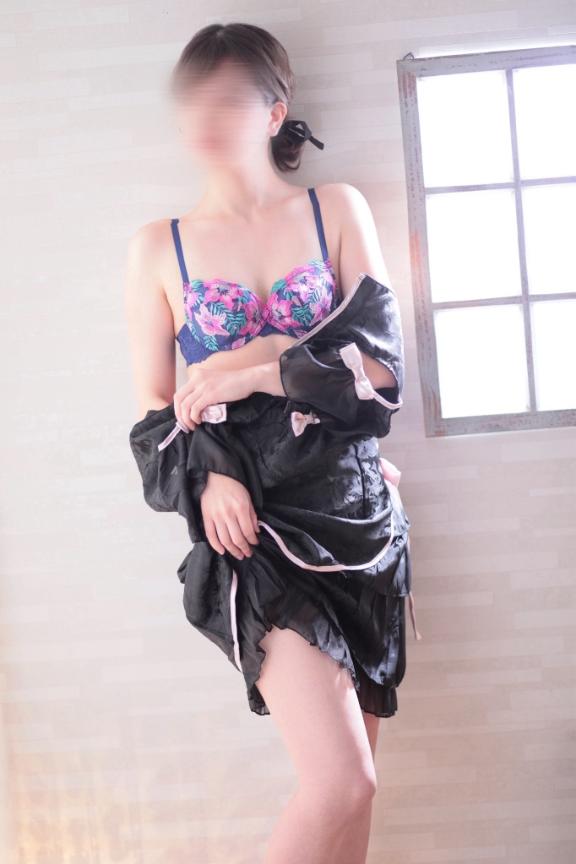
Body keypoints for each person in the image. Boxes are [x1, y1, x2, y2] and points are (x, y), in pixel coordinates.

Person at [125, 21, 419, 864]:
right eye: (193, 102)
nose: (204, 119)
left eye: (226, 101)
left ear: (274, 110)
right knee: (340, 785)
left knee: (355, 796)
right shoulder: (159, 246)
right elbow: (154, 407)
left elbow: (383, 369)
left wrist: (253, 369)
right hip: (254, 525)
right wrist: (211, 478)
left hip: (358, 512)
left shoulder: (335, 209)